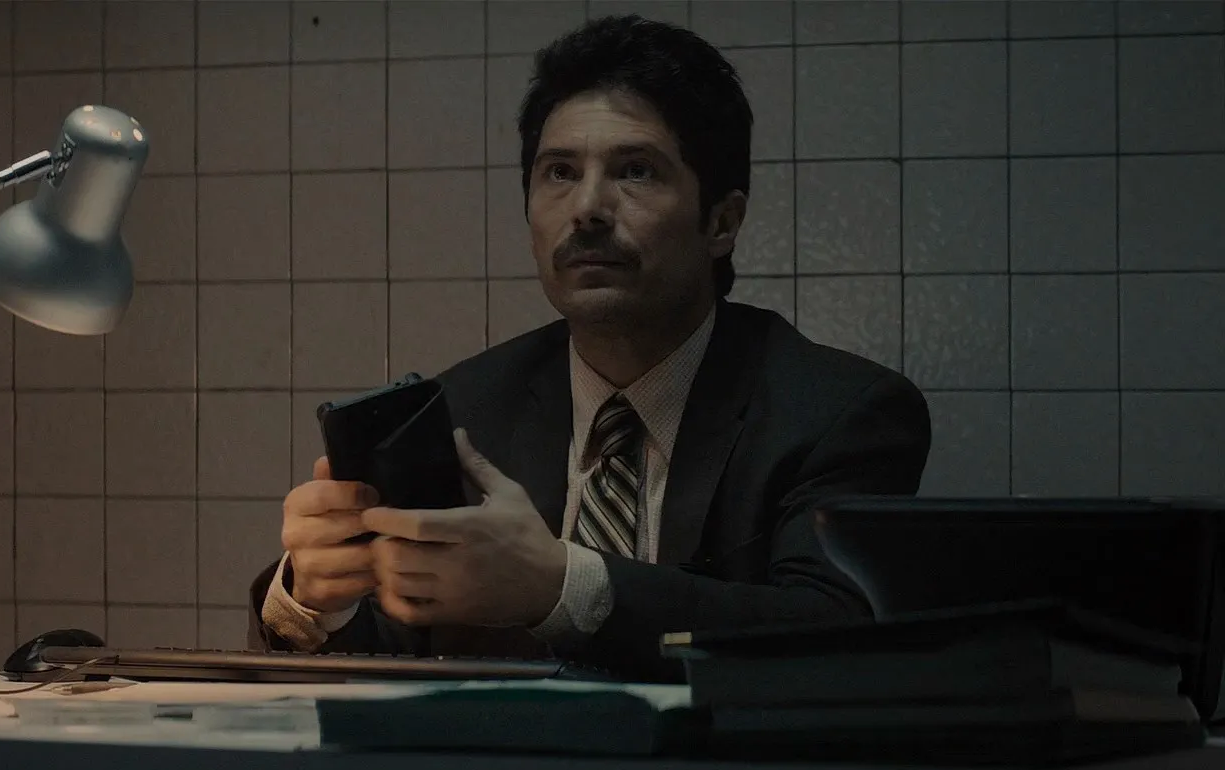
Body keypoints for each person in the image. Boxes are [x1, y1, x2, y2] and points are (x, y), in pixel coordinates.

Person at [248, 15, 932, 682]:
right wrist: (317, 599)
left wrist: (563, 585)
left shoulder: (839, 415)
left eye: (635, 170)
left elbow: (836, 642)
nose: (587, 209)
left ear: (721, 222)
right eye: (559, 172)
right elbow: (398, 657)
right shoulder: (466, 411)